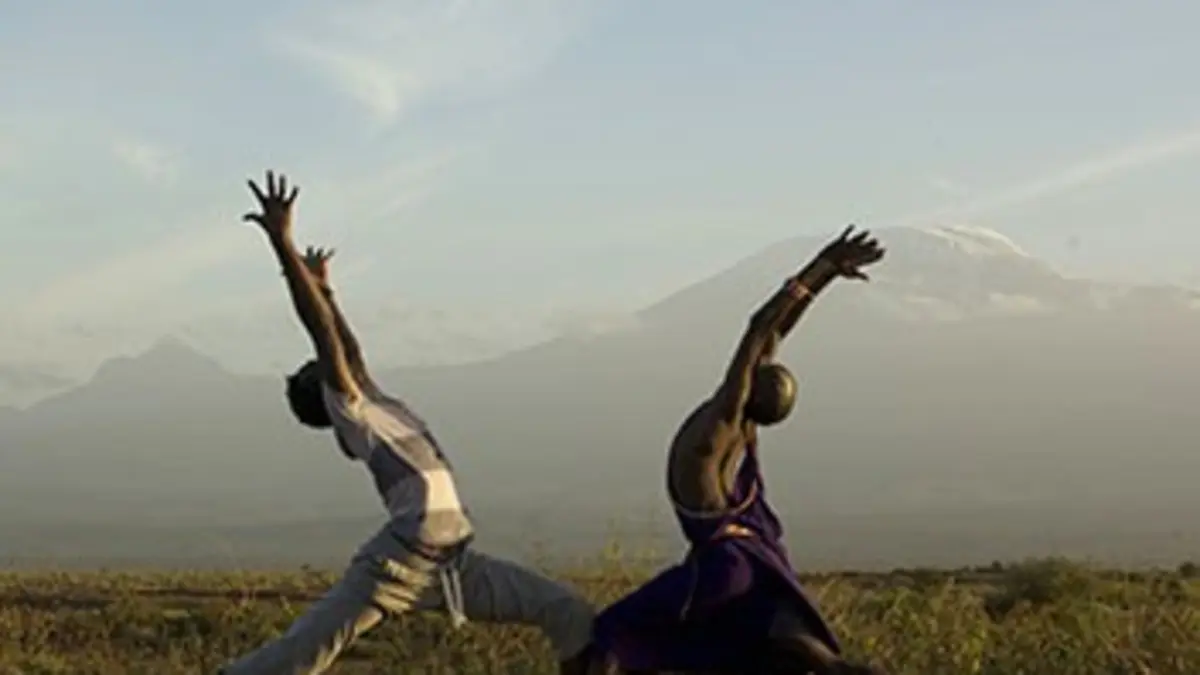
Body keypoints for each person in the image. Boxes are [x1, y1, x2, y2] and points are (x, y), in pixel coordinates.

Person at [219, 171, 596, 675]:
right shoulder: (351, 410)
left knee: (568, 611)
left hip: (455, 565)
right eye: (318, 370)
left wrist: (327, 290)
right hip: (397, 567)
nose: (328, 366)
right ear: (323, 392)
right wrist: (283, 245)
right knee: (300, 655)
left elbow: (346, 347)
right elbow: (323, 335)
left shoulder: (379, 405)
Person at [590, 226, 887, 675]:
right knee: (777, 646)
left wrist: (820, 265)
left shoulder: (724, 420)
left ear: (750, 389)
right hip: (756, 559)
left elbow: (759, 327)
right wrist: (823, 277)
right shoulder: (744, 430)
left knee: (613, 633)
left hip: (721, 566)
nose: (762, 363)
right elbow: (775, 335)